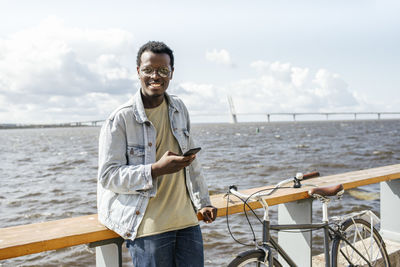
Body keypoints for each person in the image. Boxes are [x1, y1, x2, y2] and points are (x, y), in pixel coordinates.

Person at [97, 41, 217, 267]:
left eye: (163, 70)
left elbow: (192, 163)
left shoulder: (179, 108)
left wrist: (204, 202)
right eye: (148, 70)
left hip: (187, 221)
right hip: (147, 227)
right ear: (137, 72)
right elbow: (108, 177)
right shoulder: (120, 119)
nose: (156, 76)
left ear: (171, 73)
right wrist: (155, 170)